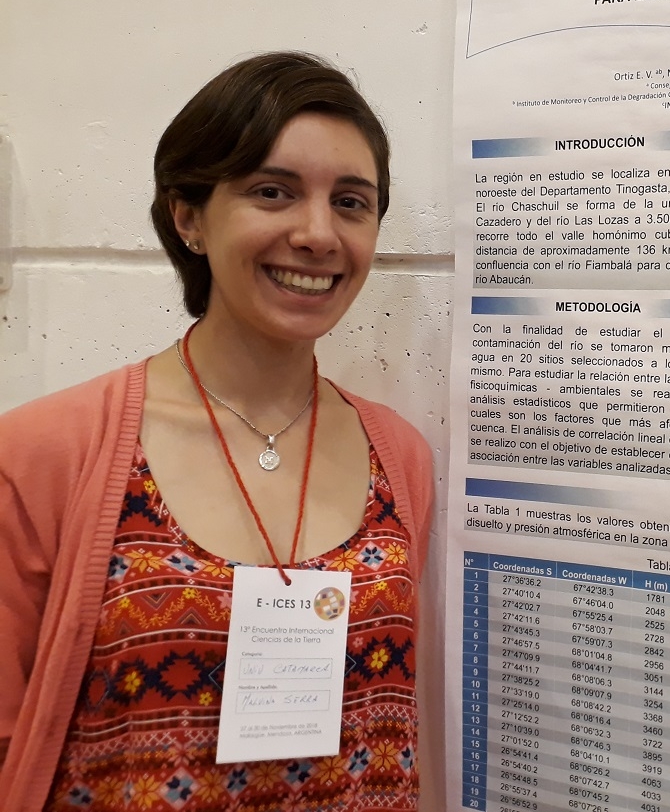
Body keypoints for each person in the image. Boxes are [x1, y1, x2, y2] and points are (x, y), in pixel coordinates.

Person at [0, 52, 435, 811]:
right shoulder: (43, 455)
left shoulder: (400, 457)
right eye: (272, 192)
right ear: (189, 217)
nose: (318, 233)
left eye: (351, 202)